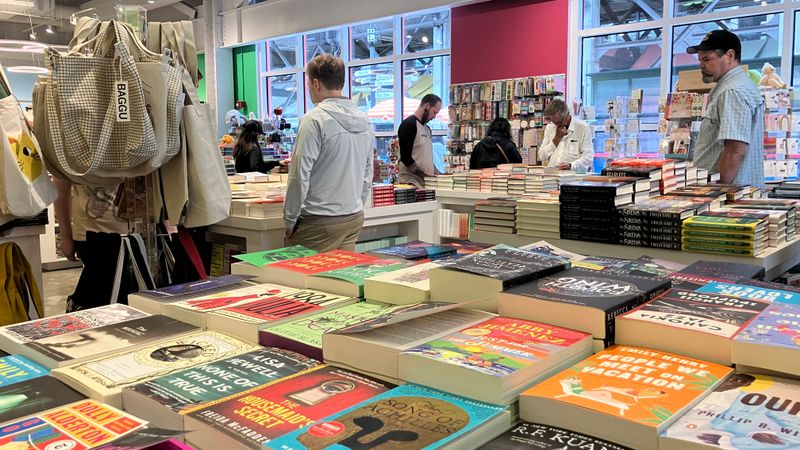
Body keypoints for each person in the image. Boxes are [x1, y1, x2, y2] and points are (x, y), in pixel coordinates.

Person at [283, 54, 373, 252]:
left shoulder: (314, 120)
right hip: (353, 217)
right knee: (339, 279)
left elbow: (299, 174)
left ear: (315, 84)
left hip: (319, 220)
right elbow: (368, 173)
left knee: (300, 278)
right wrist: (357, 204)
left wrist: (290, 219)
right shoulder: (364, 120)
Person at [687, 30, 765, 190]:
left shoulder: (732, 91)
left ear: (730, 56)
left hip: (728, 197)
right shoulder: (742, 85)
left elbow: (735, 151)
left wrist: (718, 192)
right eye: (700, 59)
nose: (701, 65)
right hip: (738, 193)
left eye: (707, 59)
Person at [54, 180, 130, 312]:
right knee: (100, 300)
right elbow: (61, 190)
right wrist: (66, 237)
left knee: (131, 298)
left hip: (137, 230)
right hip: (91, 233)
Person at [397, 94, 442, 187]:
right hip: (411, 182)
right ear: (427, 106)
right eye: (434, 112)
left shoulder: (427, 129)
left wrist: (438, 174)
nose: (434, 117)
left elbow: (426, 157)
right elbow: (406, 157)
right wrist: (424, 174)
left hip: (425, 182)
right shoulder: (409, 124)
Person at [539, 99, 594, 172]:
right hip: (552, 175)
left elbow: (588, 156)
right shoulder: (550, 127)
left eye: (558, 122)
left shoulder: (582, 127)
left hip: (573, 176)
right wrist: (556, 140)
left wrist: (571, 165)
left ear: (566, 115)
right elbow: (542, 156)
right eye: (554, 122)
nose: (556, 125)